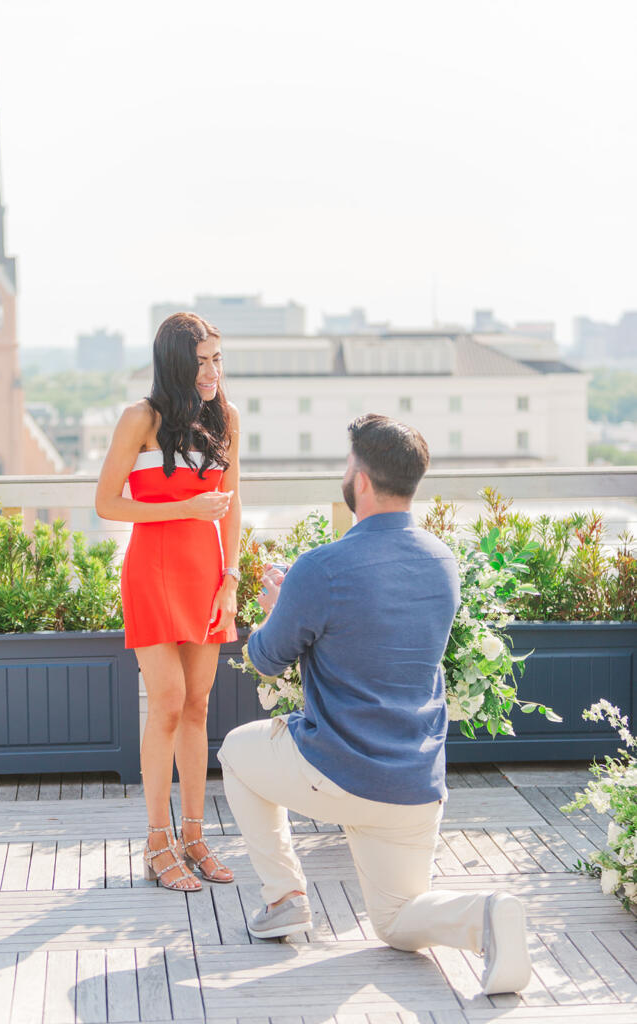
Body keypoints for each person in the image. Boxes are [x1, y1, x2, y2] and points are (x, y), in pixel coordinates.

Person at [218, 413, 531, 995]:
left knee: (237, 751)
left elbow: (264, 657)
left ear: (360, 480)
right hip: (414, 781)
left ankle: (284, 897)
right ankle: (487, 914)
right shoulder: (443, 562)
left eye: (347, 465)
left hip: (337, 771)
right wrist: (301, 601)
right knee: (395, 922)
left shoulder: (322, 567)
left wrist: (277, 605)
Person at [96, 312, 241, 891]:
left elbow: (233, 507)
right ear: (176, 364)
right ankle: (157, 842)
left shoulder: (225, 418)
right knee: (169, 701)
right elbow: (107, 503)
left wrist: (230, 582)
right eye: (201, 361)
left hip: (206, 576)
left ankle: (195, 836)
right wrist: (183, 509)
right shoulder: (141, 419)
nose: (211, 371)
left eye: (217, 359)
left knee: (199, 705)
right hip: (151, 572)